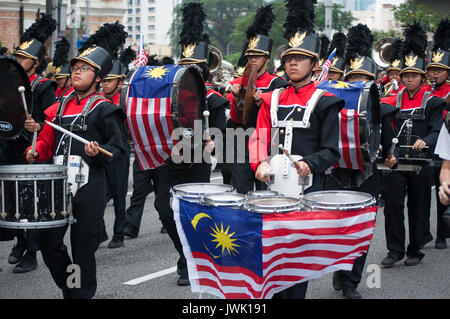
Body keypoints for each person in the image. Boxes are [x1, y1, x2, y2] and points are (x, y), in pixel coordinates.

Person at [25, 22, 128, 299]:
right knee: (47, 241)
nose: (76, 72)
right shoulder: (58, 106)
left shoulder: (105, 109)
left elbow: (117, 149)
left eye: (83, 68)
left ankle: (79, 294)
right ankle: (71, 287)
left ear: (98, 77)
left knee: (83, 249)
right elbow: (46, 142)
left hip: (89, 185)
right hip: (58, 184)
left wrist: (99, 152)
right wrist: (36, 150)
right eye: (75, 68)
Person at [250, 0, 345, 299]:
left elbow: (332, 150)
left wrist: (310, 163)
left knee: (296, 261)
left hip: (308, 190)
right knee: (271, 258)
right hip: (272, 189)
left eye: (300, 59)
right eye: (289, 57)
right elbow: (258, 137)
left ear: (314, 64)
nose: (292, 63)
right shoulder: (271, 98)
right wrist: (259, 164)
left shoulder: (325, 101)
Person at [153, 2, 227, 286]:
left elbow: (220, 137)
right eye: (184, 67)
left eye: (193, 68)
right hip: (172, 158)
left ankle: (190, 260)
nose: (188, 71)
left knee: (193, 212)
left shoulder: (215, 101)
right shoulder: (170, 98)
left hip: (198, 161)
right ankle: (186, 252)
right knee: (163, 208)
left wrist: (212, 144)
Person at [322, 24, 397, 299]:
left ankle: (351, 280)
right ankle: (339, 270)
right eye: (353, 76)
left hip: (367, 174)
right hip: (338, 170)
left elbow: (387, 140)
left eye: (363, 77)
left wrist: (391, 154)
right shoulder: (330, 100)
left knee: (361, 229)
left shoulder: (383, 106)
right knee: (337, 227)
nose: (357, 82)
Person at [380, 21, 445, 268]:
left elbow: (437, 130)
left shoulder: (433, 102)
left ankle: (415, 249)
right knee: (392, 207)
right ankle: (394, 250)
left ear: (422, 76)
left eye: (413, 75)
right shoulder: (389, 100)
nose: (408, 79)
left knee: (418, 207)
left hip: (420, 163)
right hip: (394, 162)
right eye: (405, 75)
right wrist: (387, 151)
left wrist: (425, 141)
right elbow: (383, 131)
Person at [6, 13, 57, 274]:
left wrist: (38, 126)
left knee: (32, 201)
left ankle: (32, 251)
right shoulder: (9, 83)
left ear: (35, 63)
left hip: (34, 149)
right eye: (17, 57)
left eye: (22, 58)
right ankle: (20, 241)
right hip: (11, 148)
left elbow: (51, 120)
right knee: (12, 200)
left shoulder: (44, 86)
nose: (17, 62)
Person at [226, 4, 288, 194]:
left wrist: (264, 99)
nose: (252, 60)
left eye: (257, 56)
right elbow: (235, 119)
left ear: (267, 59)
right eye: (250, 56)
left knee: (267, 193)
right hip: (242, 141)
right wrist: (237, 98)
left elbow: (283, 110)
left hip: (268, 143)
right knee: (241, 192)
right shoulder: (237, 82)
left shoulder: (277, 83)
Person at [99, 47, 135, 249]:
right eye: (103, 81)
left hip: (119, 152)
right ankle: (100, 232)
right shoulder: (98, 100)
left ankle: (118, 233)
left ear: (120, 82)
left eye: (108, 81)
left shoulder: (126, 100)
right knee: (97, 197)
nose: (104, 85)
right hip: (101, 151)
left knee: (119, 195)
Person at [424, 18, 450, 249]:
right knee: (429, 190)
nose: (435, 73)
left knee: (445, 189)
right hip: (429, 142)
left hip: (447, 141)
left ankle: (443, 233)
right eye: (432, 69)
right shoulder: (425, 89)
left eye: (439, 70)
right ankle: (427, 232)